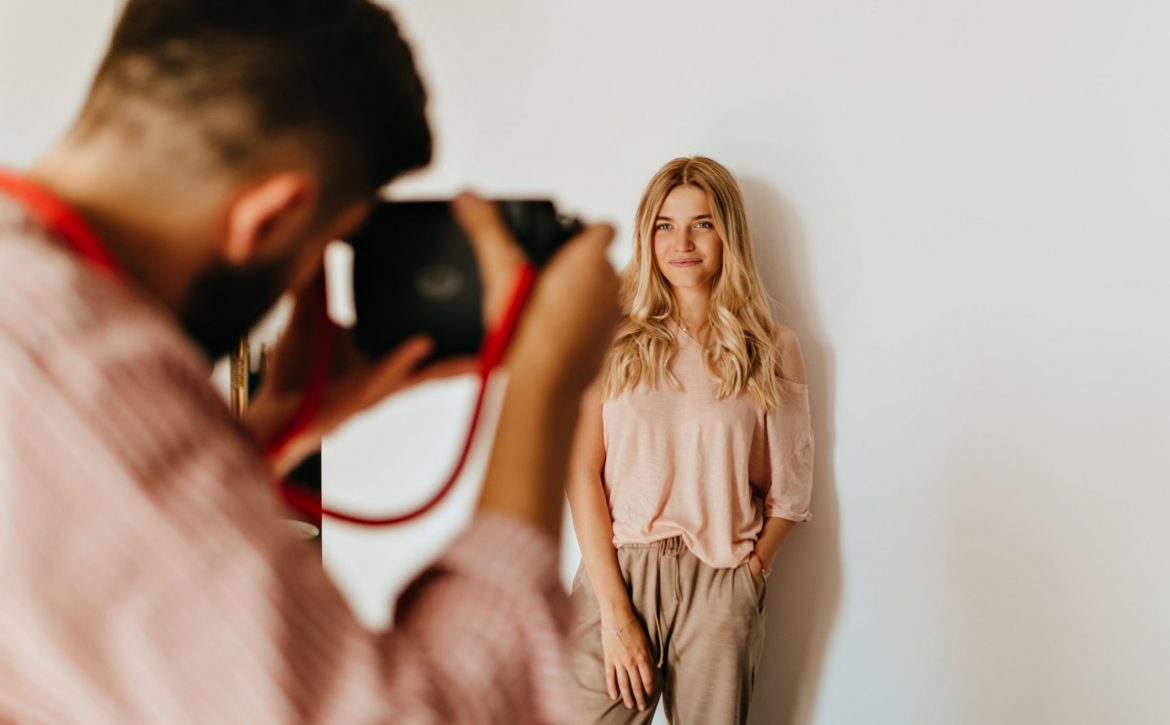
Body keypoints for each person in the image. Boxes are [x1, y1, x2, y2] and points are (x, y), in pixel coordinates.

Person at [0, 1, 619, 722]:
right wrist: (546, 382)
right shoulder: (78, 375)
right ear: (268, 217)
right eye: (326, 243)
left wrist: (263, 436)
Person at [565, 156, 814, 723]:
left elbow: (791, 491)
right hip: (621, 570)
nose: (682, 243)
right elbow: (580, 473)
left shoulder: (771, 347)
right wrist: (615, 614)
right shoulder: (610, 338)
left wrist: (748, 578)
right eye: (665, 225)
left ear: (728, 235)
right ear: (647, 235)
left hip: (721, 582)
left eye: (702, 223)